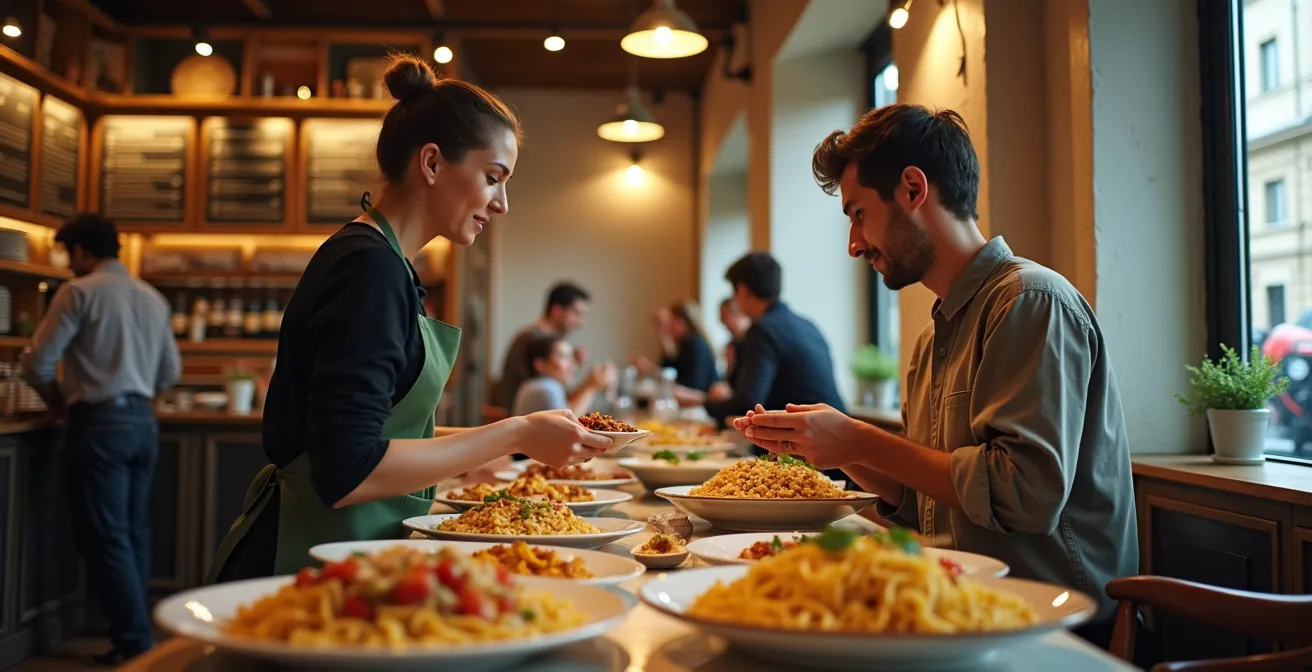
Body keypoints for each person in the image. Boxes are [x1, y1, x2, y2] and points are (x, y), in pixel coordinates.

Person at [735, 103, 1142, 657]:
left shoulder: (1030, 301)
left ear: (912, 189)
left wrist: (857, 439)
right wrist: (827, 449)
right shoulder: (932, 340)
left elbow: (1024, 495)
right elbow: (923, 501)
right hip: (953, 608)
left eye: (858, 214)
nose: (854, 245)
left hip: (1045, 625)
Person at [208, 56, 611, 583]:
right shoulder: (368, 268)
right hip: (301, 560)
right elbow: (347, 469)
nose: (503, 203)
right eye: (493, 178)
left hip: (344, 552)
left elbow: (379, 430)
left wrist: (507, 440)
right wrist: (513, 434)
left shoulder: (385, 262)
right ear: (432, 163)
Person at [21, 213, 181, 665]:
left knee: (109, 537)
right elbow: (170, 372)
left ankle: (134, 644)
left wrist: (56, 402)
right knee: (132, 533)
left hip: (98, 424)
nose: (67, 264)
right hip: (143, 424)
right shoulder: (152, 297)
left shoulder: (77, 292)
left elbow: (37, 364)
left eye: (66, 254)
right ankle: (136, 635)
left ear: (81, 252)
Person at [491, 282, 591, 410]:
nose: (580, 322)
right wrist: (590, 386)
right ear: (556, 310)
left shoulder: (541, 339)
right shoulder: (530, 340)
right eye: (576, 313)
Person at [513, 334, 617, 416]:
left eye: (571, 356)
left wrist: (590, 385)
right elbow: (570, 426)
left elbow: (568, 405)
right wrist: (591, 387)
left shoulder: (534, 384)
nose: (573, 362)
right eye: (563, 356)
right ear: (540, 364)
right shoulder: (546, 388)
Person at [631, 301, 718, 392]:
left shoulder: (694, 344)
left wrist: (650, 368)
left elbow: (689, 385)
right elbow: (669, 367)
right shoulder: (683, 344)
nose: (669, 327)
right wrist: (662, 334)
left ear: (682, 322)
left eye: (671, 322)